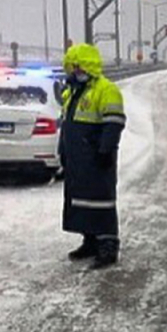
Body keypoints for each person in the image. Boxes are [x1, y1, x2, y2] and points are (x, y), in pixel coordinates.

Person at [59, 43, 126, 269]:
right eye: (73, 68)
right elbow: (67, 125)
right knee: (80, 200)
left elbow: (114, 123)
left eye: (79, 67)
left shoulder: (106, 90)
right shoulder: (72, 92)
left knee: (101, 202)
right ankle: (89, 240)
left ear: (89, 66)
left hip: (96, 157)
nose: (75, 72)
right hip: (77, 159)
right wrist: (63, 150)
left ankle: (107, 246)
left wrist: (105, 150)